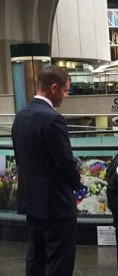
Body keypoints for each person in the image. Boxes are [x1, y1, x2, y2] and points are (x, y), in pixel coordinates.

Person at [11, 65, 80, 275]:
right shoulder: (53, 119)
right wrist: (77, 181)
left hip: (32, 201)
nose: (66, 96)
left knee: (36, 257)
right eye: (66, 90)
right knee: (59, 260)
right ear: (53, 88)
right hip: (56, 203)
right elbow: (65, 162)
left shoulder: (20, 116)